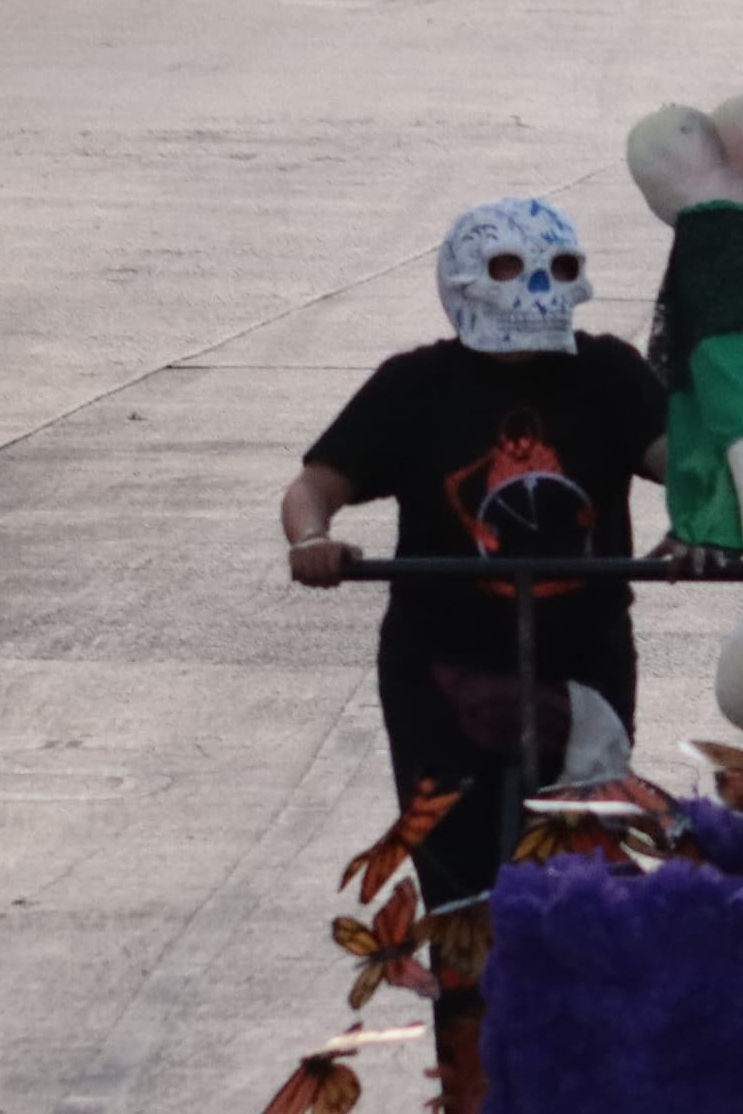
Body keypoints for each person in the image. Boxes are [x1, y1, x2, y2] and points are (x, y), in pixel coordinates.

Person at [279, 197, 671, 905]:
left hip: (583, 663)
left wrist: (706, 525)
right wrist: (313, 540)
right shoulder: (416, 384)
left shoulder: (608, 371)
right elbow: (315, 483)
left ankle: (566, 1002)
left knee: (583, 867)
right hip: (442, 670)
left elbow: (687, 463)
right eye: (510, 268)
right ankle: (469, 1003)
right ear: (465, 279)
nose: (538, 287)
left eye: (558, 269)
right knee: (460, 882)